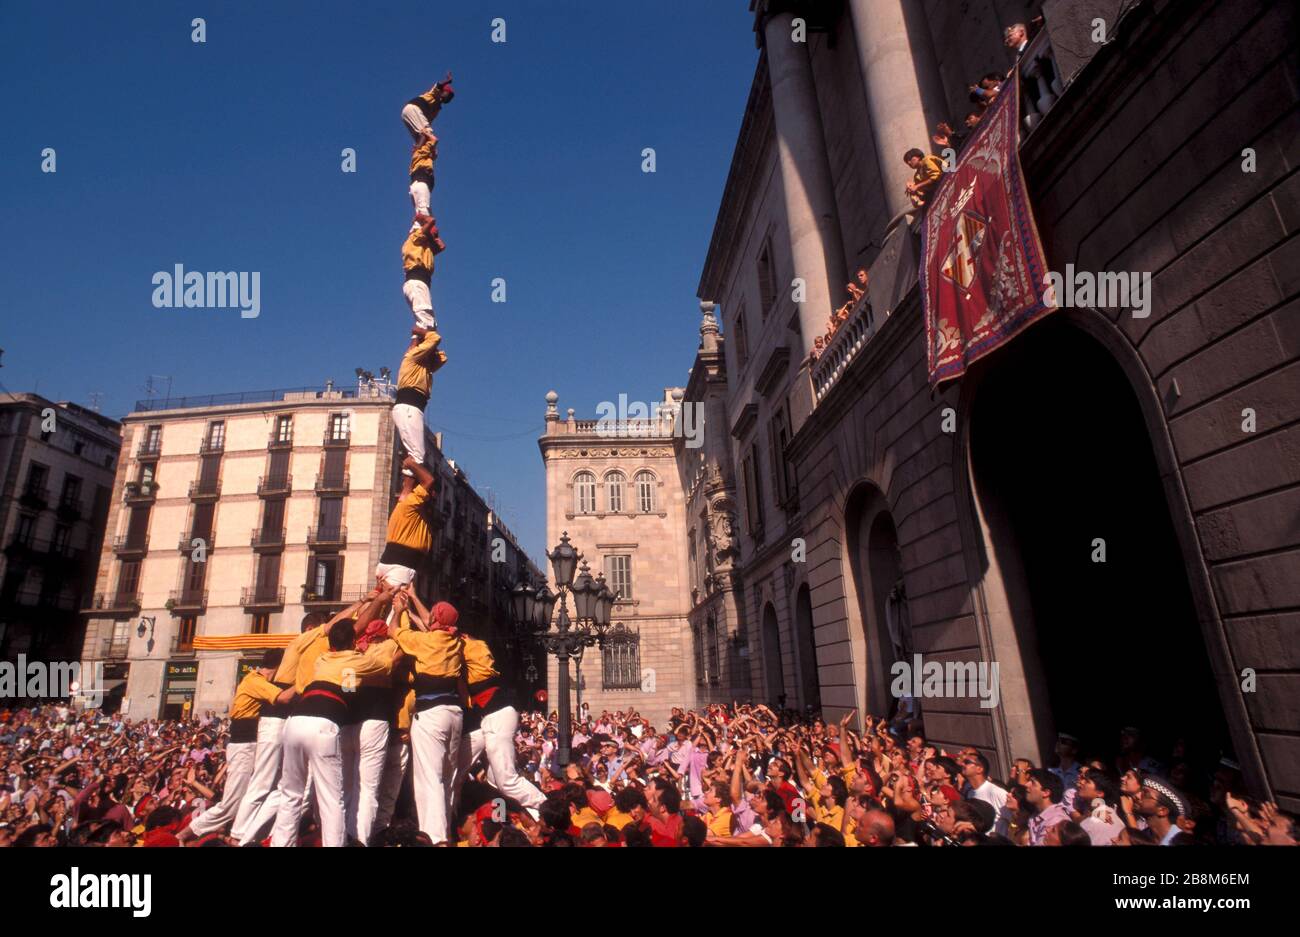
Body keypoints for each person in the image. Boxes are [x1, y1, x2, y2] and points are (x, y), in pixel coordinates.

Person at [270, 607, 393, 847]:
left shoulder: (323, 658)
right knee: (331, 799)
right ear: (354, 640)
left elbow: (347, 689)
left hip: (295, 723)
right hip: (322, 725)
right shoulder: (356, 660)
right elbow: (387, 664)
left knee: (291, 793)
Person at [231, 610, 330, 845]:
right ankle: (238, 835)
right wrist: (304, 682)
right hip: (273, 722)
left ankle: (253, 836)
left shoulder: (304, 651)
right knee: (262, 783)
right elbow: (283, 698)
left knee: (277, 785)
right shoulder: (298, 644)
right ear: (311, 630)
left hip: (282, 723)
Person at [180, 650, 293, 843]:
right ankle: (182, 835)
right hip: (243, 746)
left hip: (249, 745)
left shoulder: (256, 680)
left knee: (255, 794)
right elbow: (282, 697)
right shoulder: (255, 681)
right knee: (231, 804)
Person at [388, 593, 464, 845]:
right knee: (446, 776)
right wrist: (413, 597)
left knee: (428, 778)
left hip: (430, 714)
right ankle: (448, 827)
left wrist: (400, 610)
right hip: (454, 713)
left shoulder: (423, 641)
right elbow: (430, 622)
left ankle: (437, 838)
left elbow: (393, 631)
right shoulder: (455, 640)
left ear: (435, 620)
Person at [451, 619, 546, 816]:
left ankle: (547, 808)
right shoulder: (464, 659)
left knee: (506, 782)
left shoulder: (475, 647)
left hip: (497, 713)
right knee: (480, 779)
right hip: (485, 719)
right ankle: (491, 819)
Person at [375, 456, 438, 590]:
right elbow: (429, 480)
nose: (434, 495)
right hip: (400, 567)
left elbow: (407, 487)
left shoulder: (407, 505)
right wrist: (411, 463)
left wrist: (410, 472)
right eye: (432, 492)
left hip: (397, 565)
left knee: (388, 607)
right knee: (396, 608)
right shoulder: (410, 505)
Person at [392, 329, 446, 477]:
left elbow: (441, 358)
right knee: (418, 454)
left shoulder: (423, 367)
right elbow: (435, 338)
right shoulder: (412, 358)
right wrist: (421, 331)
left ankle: (406, 489)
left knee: (416, 454)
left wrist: (428, 343)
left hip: (411, 408)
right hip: (409, 407)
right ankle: (417, 482)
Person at [401, 214, 446, 332]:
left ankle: (420, 344)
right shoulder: (414, 239)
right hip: (416, 281)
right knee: (426, 321)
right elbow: (431, 220)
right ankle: (420, 341)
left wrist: (434, 237)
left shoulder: (425, 249)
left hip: (421, 283)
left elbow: (441, 246)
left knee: (428, 321)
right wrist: (420, 216)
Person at [961, 752, 1009, 837]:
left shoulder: (996, 792)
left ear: (979, 769)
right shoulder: (969, 793)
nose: (962, 764)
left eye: (967, 762)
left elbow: (1013, 820)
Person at [401, 73, 454, 145]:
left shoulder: (437, 109)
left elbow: (428, 121)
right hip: (414, 108)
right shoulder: (435, 94)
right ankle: (420, 149)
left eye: (451, 97)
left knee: (423, 140)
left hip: (407, 113)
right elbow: (438, 85)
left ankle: (418, 150)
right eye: (449, 95)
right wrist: (447, 81)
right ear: (442, 92)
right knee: (427, 133)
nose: (449, 98)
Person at [1024, 769, 1070, 846]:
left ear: (1046, 793)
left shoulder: (1056, 820)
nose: (1026, 785)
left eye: (1033, 783)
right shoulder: (1035, 816)